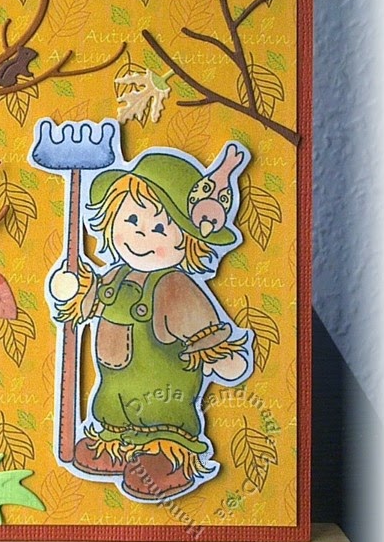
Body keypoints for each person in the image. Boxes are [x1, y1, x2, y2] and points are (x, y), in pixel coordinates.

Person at [48, 144, 252, 501]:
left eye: (160, 227)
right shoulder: (113, 279)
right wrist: (69, 289)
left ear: (188, 239)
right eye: (131, 221)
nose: (142, 235)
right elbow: (85, 303)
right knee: (107, 420)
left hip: (165, 413)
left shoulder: (175, 288)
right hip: (114, 407)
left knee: (163, 437)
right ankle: (117, 447)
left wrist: (222, 358)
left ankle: (168, 457)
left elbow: (205, 335)